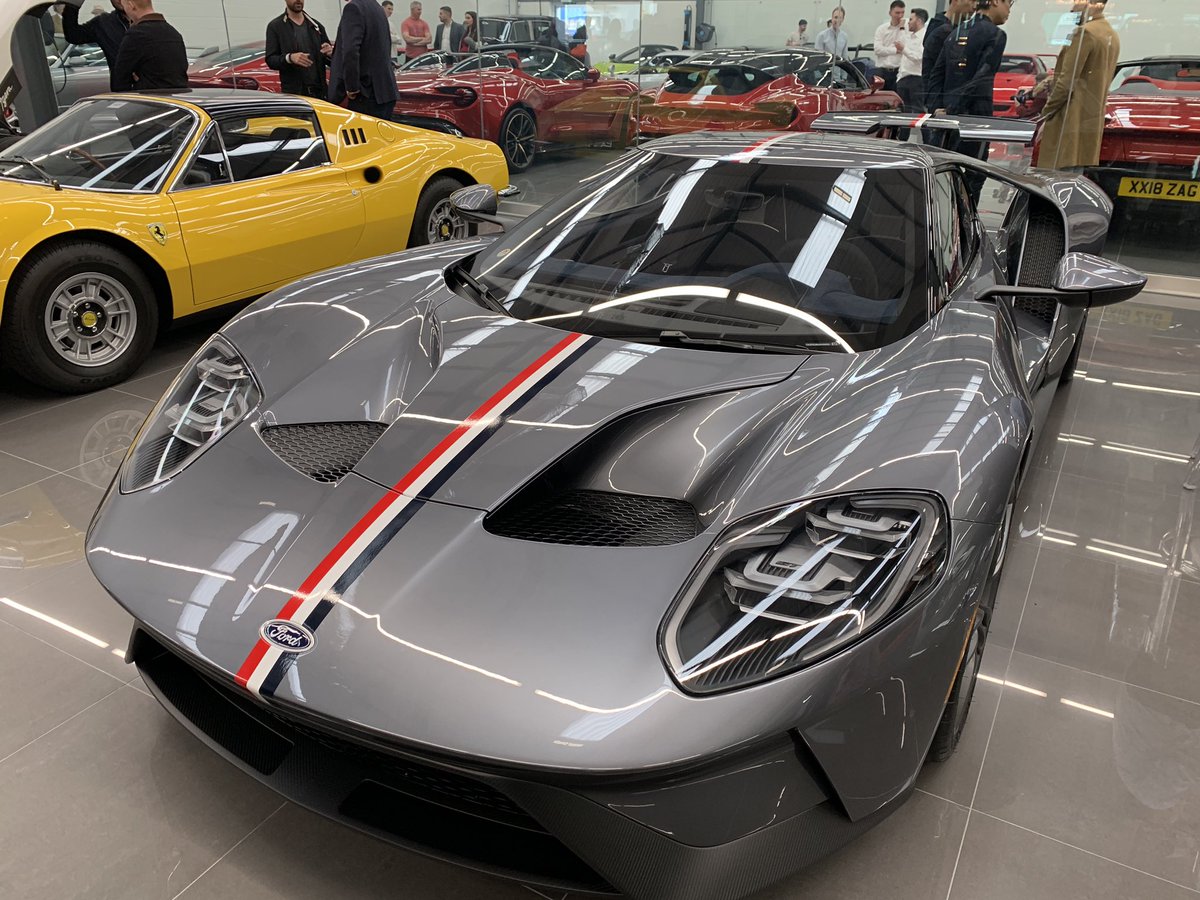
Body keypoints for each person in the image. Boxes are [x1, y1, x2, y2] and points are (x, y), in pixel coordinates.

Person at [927, 0, 1011, 200]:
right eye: (1009, 4)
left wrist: (939, 107)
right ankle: (966, 224)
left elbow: (936, 74)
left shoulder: (956, 32)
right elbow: (982, 77)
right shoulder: (996, 35)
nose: (1009, 11)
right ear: (995, 2)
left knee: (944, 173)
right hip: (976, 118)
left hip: (947, 118)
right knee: (974, 175)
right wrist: (954, 107)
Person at [1036, 0, 1120, 171]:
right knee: (1074, 180)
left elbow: (1067, 82)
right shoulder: (1110, 34)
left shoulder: (1084, 34)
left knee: (1055, 184)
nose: (1072, 8)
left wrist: (1046, 113)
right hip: (1088, 121)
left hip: (1067, 121)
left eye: (1076, 2)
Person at [330, 0, 399, 119]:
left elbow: (351, 51)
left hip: (366, 93)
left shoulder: (353, 8)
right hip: (385, 90)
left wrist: (352, 87)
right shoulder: (377, 8)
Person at [111, 0, 188, 92]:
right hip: (177, 99)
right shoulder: (174, 33)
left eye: (124, 6)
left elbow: (119, 79)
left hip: (149, 100)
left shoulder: (136, 35)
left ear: (131, 5)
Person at [265, 0, 333, 98]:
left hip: (320, 94)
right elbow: (271, 60)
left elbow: (329, 60)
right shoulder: (275, 27)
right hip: (294, 95)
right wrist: (290, 58)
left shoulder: (316, 26)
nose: (298, 0)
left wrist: (331, 55)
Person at [61, 0, 130, 88]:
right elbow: (73, 35)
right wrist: (73, 4)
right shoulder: (104, 23)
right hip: (124, 94)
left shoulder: (149, 21)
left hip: (150, 91)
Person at [896, 7, 928, 137]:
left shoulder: (924, 37)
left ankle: (927, 139)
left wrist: (904, 49)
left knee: (919, 111)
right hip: (904, 77)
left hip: (916, 78)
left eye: (911, 19)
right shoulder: (909, 36)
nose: (908, 22)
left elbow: (919, 57)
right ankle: (902, 140)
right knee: (904, 113)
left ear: (919, 21)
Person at [874, 0, 906, 91]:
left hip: (898, 70)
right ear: (890, 13)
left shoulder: (905, 29)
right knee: (879, 99)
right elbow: (878, 50)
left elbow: (903, 47)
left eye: (902, 12)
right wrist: (895, 50)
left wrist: (902, 28)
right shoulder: (881, 29)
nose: (900, 16)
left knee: (895, 101)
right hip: (882, 70)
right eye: (897, 13)